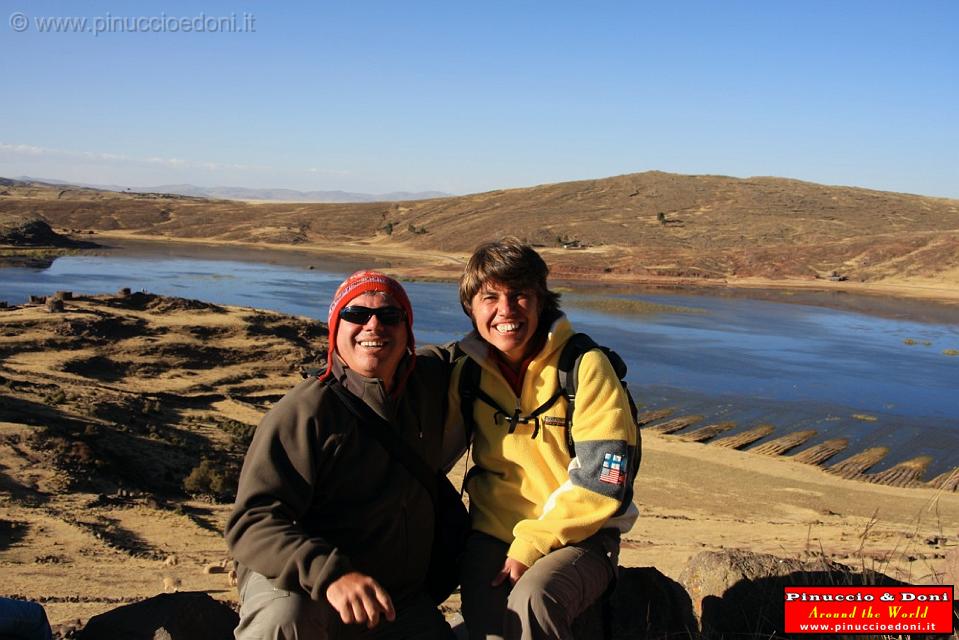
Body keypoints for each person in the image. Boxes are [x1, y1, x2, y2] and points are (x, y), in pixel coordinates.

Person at [225, 270, 454, 640]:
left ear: (408, 331)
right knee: (284, 619)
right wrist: (330, 574)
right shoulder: (306, 411)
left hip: (394, 599)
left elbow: (495, 339)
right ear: (336, 328)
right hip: (305, 583)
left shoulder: (428, 383)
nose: (374, 325)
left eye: (390, 316)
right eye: (356, 315)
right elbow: (251, 521)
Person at [447, 238, 639, 640]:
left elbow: (604, 480)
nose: (506, 310)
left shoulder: (584, 366)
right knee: (488, 625)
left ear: (541, 302)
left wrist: (530, 545)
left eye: (519, 295)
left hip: (583, 537)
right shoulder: (467, 372)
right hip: (492, 536)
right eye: (490, 297)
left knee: (534, 599)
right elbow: (430, 453)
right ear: (471, 308)